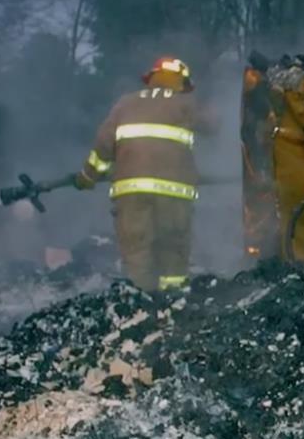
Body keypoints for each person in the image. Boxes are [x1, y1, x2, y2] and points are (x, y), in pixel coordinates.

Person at [74, 57, 214, 292]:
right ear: (182, 82)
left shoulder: (125, 103)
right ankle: (174, 304)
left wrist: (88, 177)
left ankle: (142, 305)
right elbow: (213, 125)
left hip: (132, 194)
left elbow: (103, 145)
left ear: (151, 79)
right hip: (174, 195)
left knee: (137, 253)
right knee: (173, 251)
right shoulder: (186, 103)